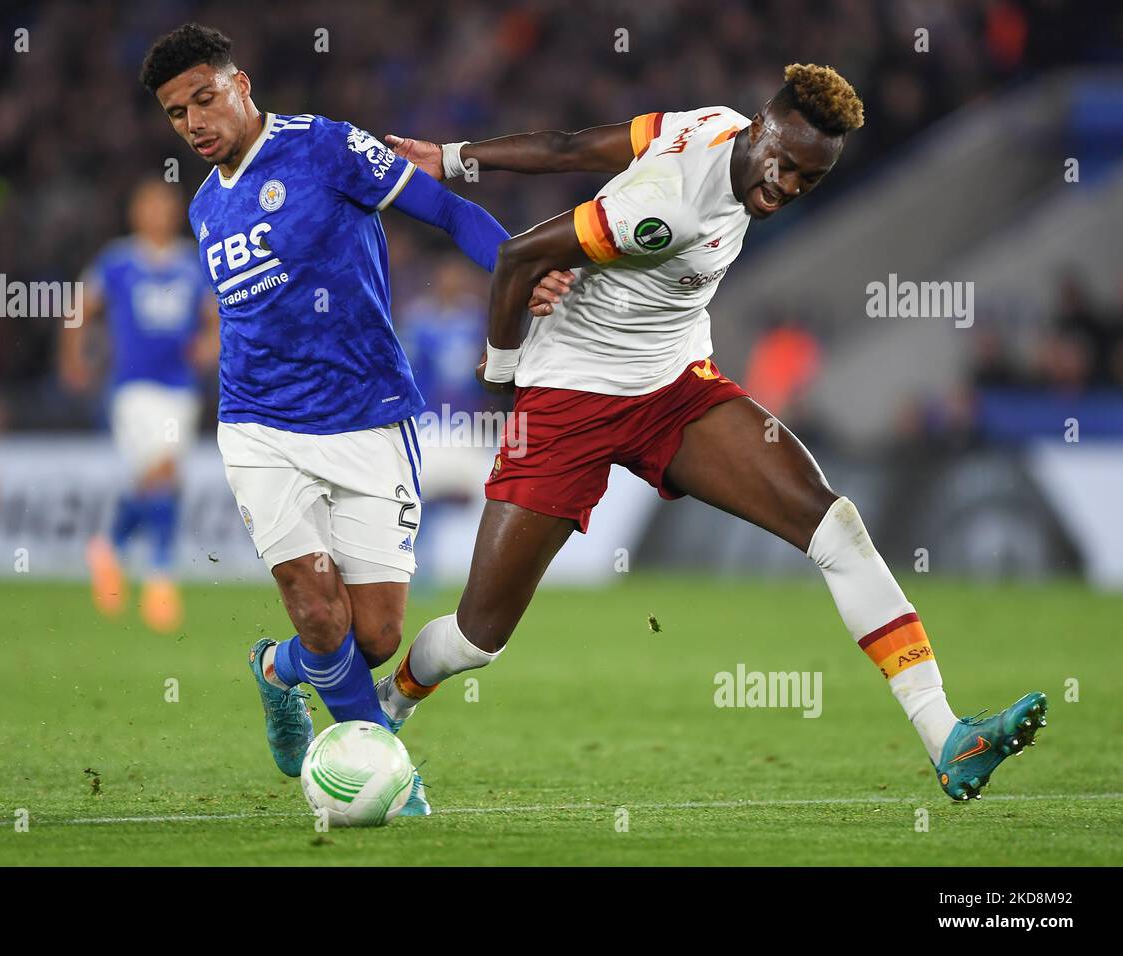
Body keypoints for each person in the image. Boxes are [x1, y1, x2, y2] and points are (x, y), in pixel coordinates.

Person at [379, 64, 1047, 803]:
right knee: (478, 638)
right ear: (760, 128)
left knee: (836, 525)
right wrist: (500, 373)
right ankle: (391, 703)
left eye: (808, 179)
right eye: (784, 164)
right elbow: (518, 257)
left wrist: (456, 155)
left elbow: (576, 144)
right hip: (569, 397)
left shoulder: (712, 124)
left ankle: (948, 736)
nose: (788, 185)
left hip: (672, 389)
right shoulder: (665, 210)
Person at [139, 22, 513, 814]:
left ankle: (277, 670)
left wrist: (522, 277)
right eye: (177, 114)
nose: (195, 123)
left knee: (370, 636)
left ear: (241, 84)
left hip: (370, 418)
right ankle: (390, 781)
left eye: (205, 99)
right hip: (259, 426)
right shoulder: (206, 207)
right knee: (315, 603)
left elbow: (447, 212)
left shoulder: (325, 148)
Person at [60, 178, 218, 634]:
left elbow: (216, 320)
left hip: (180, 388)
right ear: (136, 213)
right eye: (148, 205)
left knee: (160, 478)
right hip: (132, 388)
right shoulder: (117, 261)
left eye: (164, 206)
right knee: (163, 471)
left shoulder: (193, 262)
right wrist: (72, 358)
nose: (157, 214)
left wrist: (210, 345)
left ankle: (108, 546)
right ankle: (161, 578)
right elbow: (79, 307)